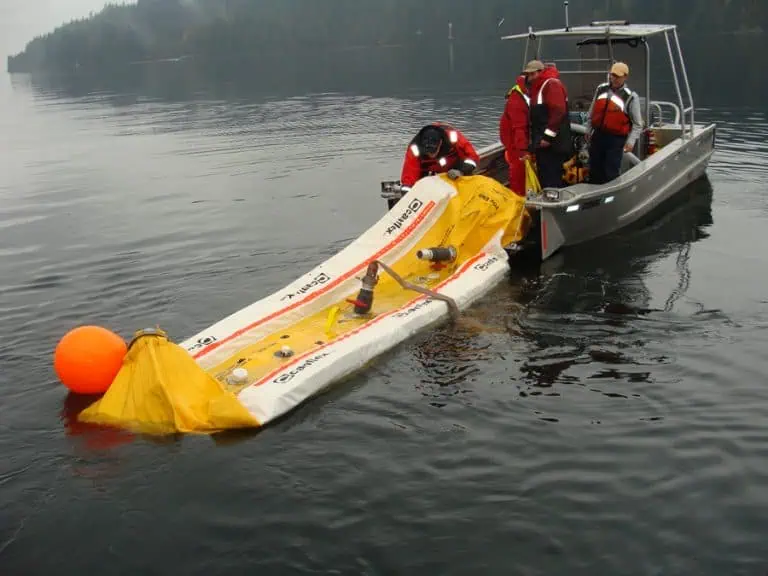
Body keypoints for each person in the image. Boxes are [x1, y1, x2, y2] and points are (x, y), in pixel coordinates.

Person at [585, 61, 644, 184]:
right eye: (612, 75)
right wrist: (588, 129)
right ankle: (593, 195)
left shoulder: (631, 97)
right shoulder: (601, 89)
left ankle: (610, 196)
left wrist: (630, 142)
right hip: (598, 135)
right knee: (594, 168)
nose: (614, 78)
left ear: (625, 77)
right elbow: (592, 111)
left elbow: (638, 123)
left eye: (618, 76)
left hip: (616, 139)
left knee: (610, 171)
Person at [523, 59, 573, 189]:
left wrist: (547, 137)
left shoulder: (551, 84)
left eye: (532, 74)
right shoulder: (538, 87)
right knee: (545, 174)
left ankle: (555, 203)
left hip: (554, 144)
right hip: (543, 144)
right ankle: (546, 199)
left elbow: (558, 112)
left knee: (553, 176)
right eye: (528, 74)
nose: (530, 77)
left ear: (540, 72)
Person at [400, 122, 480, 193]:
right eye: (428, 151)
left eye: (433, 151)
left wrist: (461, 171)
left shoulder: (454, 138)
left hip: (454, 168)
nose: (431, 155)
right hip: (429, 169)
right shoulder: (414, 148)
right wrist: (406, 195)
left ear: (440, 142)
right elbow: (408, 175)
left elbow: (472, 157)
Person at [499, 74, 530, 197]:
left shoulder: (522, 93)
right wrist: (523, 151)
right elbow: (519, 128)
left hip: (516, 142)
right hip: (515, 145)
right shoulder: (517, 100)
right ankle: (519, 201)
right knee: (518, 176)